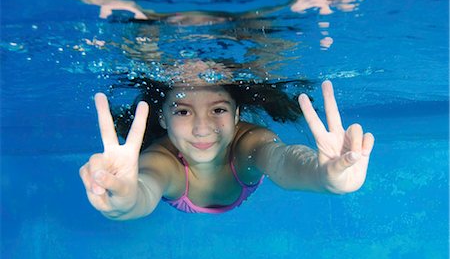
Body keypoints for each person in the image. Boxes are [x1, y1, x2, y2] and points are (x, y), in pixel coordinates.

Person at [79, 61, 374, 218]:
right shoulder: (162, 161)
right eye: (183, 111)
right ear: (163, 118)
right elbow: (144, 188)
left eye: (218, 109)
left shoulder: (248, 144)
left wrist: (321, 175)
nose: (202, 128)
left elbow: (282, 159)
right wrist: (126, 201)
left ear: (237, 115)